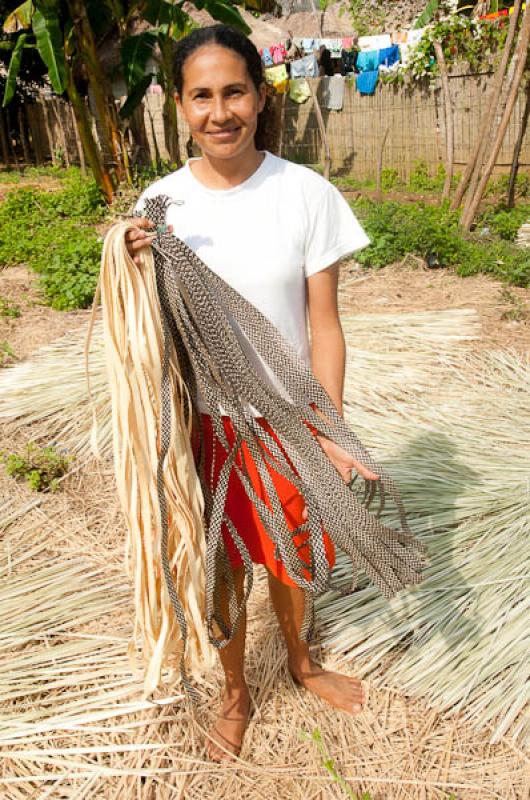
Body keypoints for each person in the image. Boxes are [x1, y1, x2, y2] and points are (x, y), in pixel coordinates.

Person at [126, 23, 376, 762]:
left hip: (288, 419)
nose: (219, 112)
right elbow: (147, 330)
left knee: (291, 554)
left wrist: (330, 426)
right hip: (204, 424)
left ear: (260, 97)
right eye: (200, 96)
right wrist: (133, 260)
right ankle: (235, 696)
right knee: (223, 563)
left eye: (233, 91)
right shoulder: (161, 204)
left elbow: (324, 326)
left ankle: (301, 662)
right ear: (179, 105)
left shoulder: (305, 194)